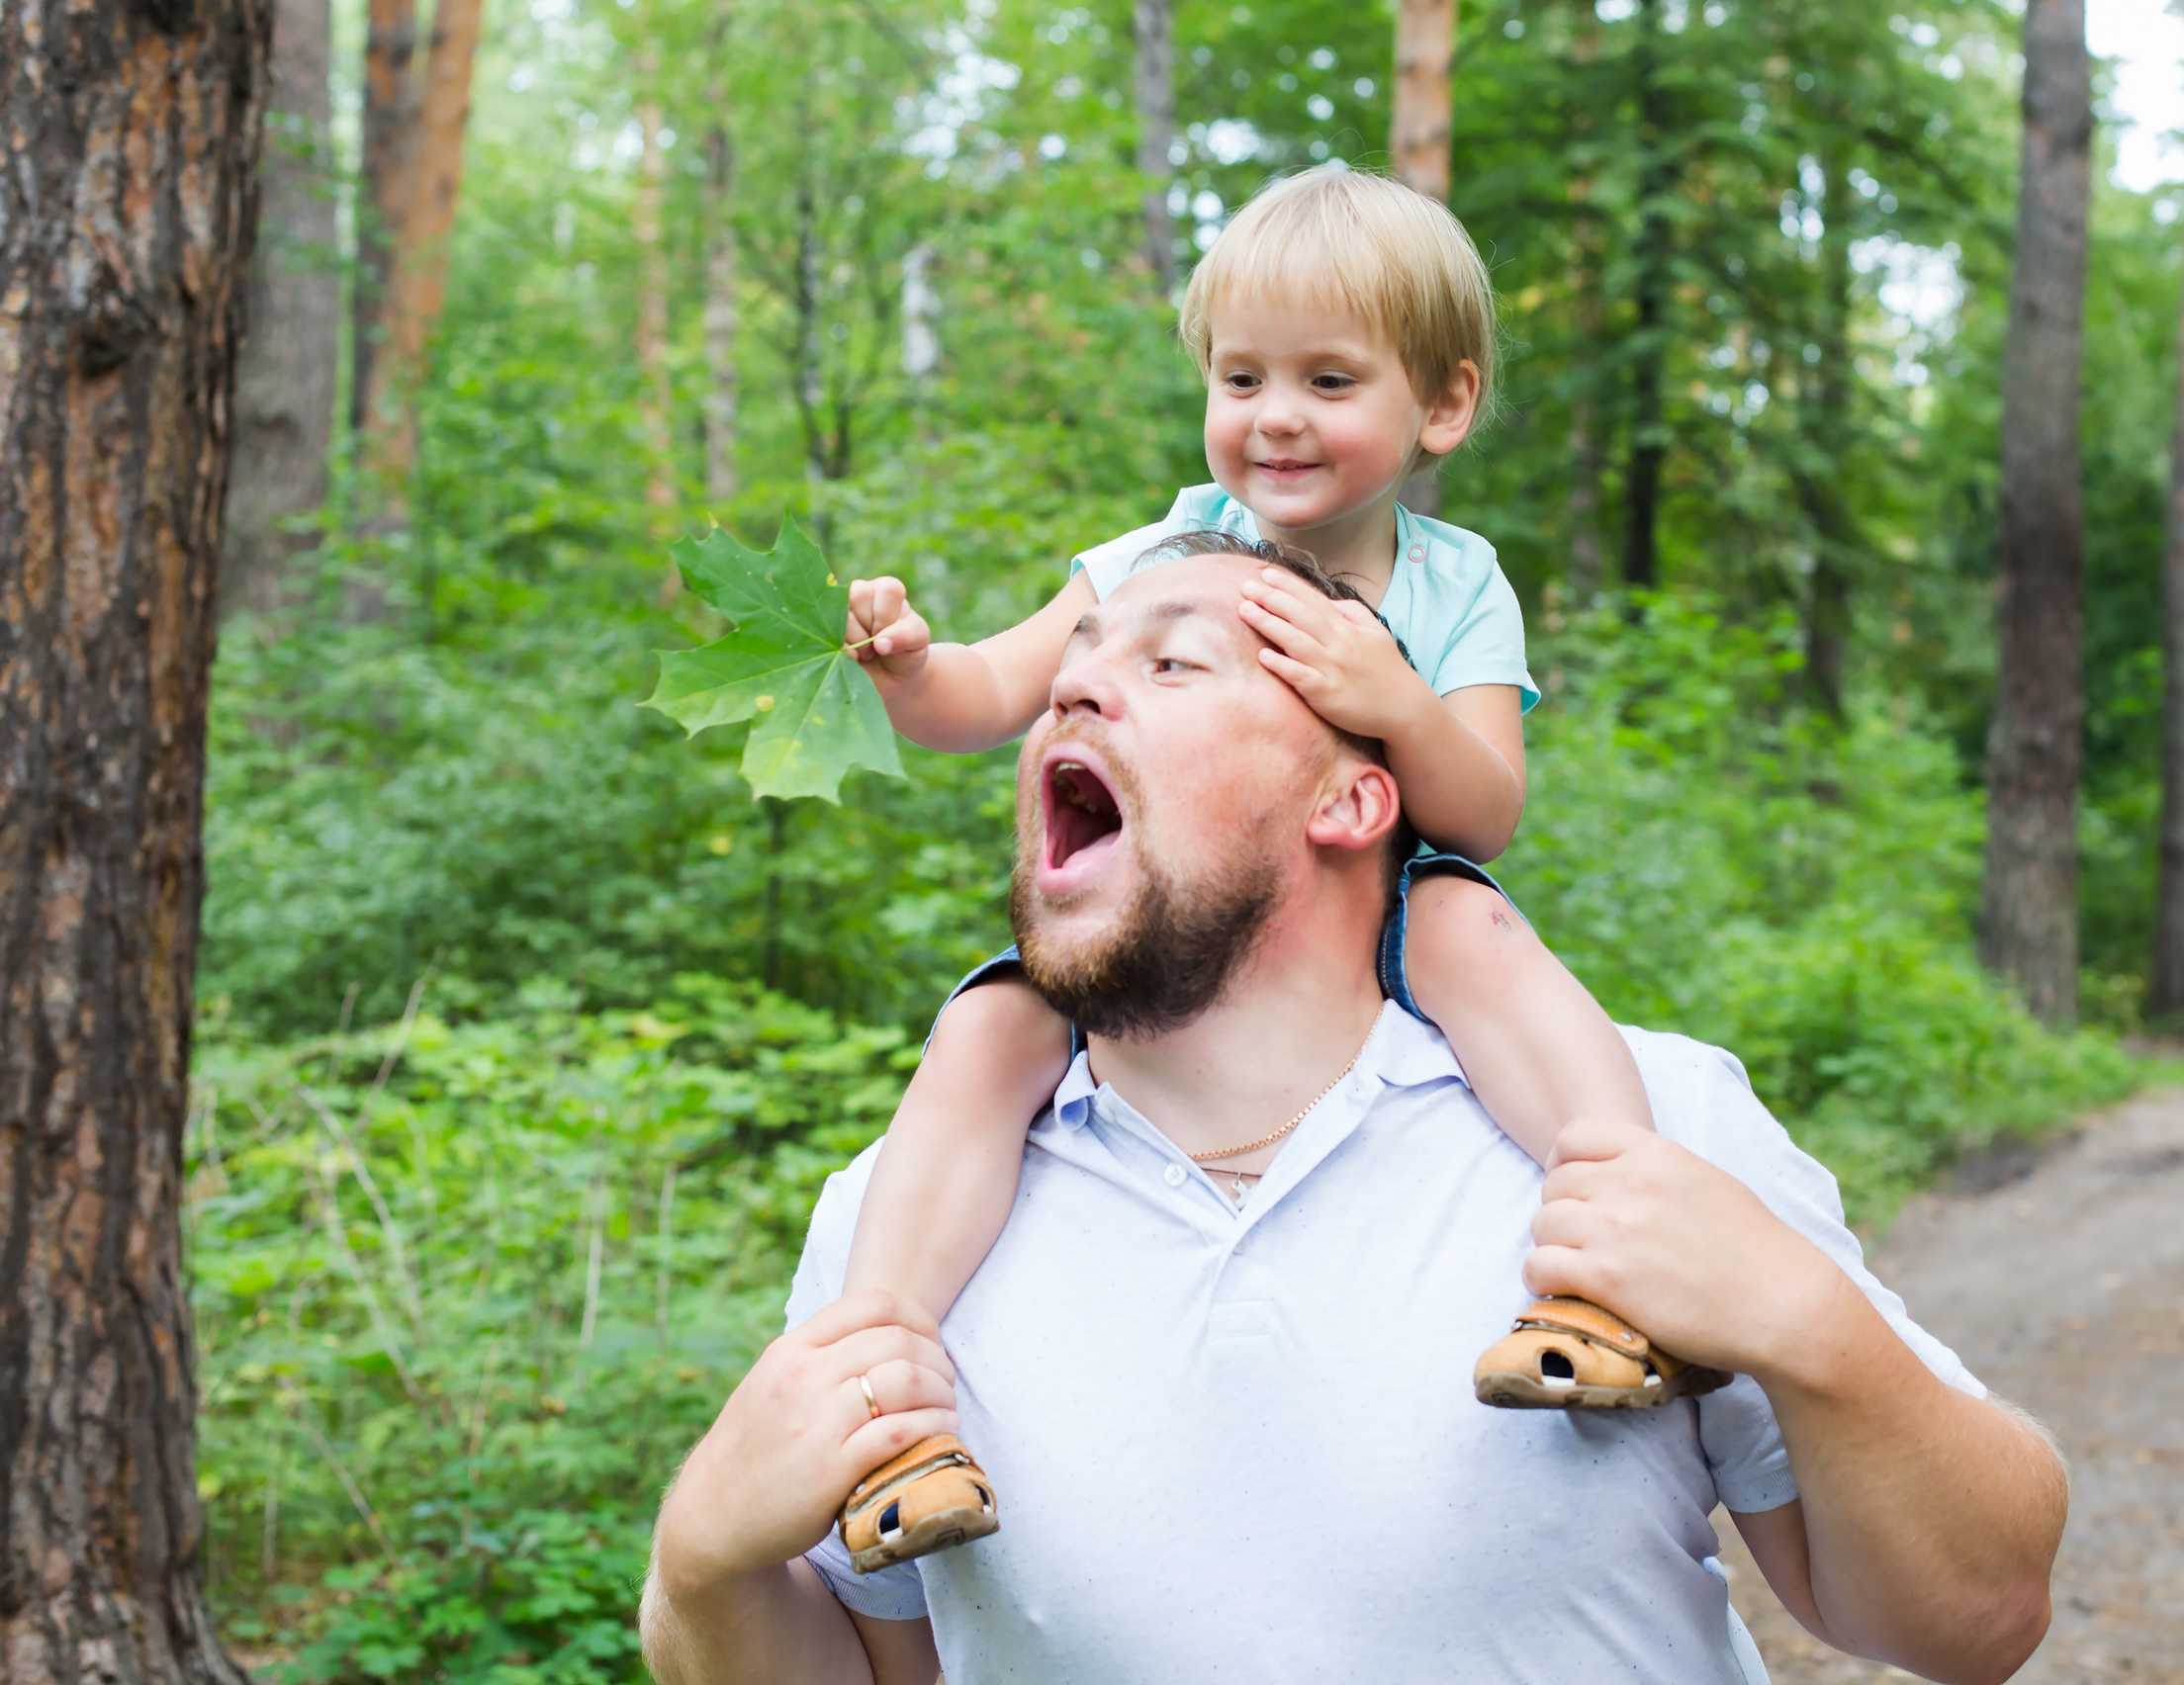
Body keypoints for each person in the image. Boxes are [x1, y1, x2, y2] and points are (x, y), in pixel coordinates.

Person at [640, 540, 2067, 1684]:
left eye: (1175, 662)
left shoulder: (1640, 1125)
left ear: (1352, 798)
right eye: (1071, 666)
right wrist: (704, 1566)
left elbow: (1980, 1623)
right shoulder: (900, 1223)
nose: (1071, 695)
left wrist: (1815, 1331)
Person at [829, 165, 1691, 1566]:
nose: (1275, 416)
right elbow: (990, 697)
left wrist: (1395, 697)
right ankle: (881, 1401)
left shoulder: (1451, 583)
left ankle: (1613, 1274)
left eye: (1330, 380)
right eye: (1241, 377)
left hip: (1380, 902)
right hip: (1166, 913)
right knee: (986, 1028)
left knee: (1483, 939)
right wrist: (914, 664)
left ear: (1443, 405)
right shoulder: (1160, 552)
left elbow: (1482, 810)